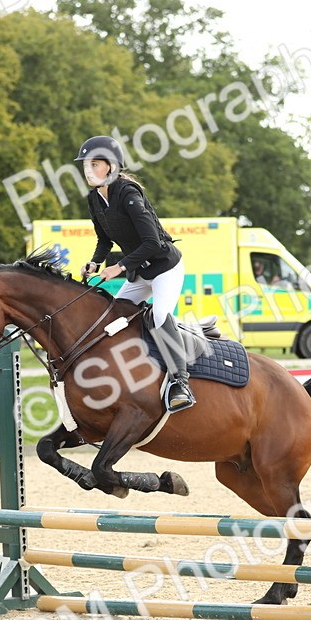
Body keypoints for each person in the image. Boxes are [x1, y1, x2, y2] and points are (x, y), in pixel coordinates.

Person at [76, 135, 195, 413]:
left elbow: (152, 242)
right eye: (85, 165)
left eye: (95, 164)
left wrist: (118, 267)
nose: (88, 170)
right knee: (113, 316)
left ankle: (181, 382)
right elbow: (104, 241)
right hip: (139, 273)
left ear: (112, 167)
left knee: (159, 315)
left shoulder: (128, 194)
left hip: (165, 268)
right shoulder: (94, 199)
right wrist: (94, 263)